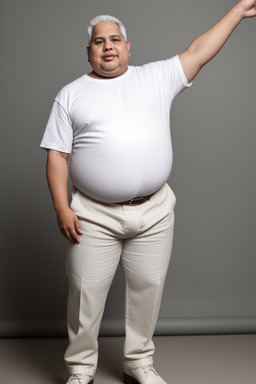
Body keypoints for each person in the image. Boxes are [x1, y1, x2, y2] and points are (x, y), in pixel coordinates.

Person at [40, 1, 256, 383]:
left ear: (128, 46)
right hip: (92, 213)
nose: (108, 46)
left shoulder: (156, 77)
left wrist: (238, 11)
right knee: (85, 294)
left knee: (148, 289)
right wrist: (62, 207)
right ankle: (80, 368)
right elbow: (57, 155)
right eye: (98, 42)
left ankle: (138, 362)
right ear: (89, 51)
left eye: (115, 39)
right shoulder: (70, 94)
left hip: (155, 210)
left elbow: (199, 51)